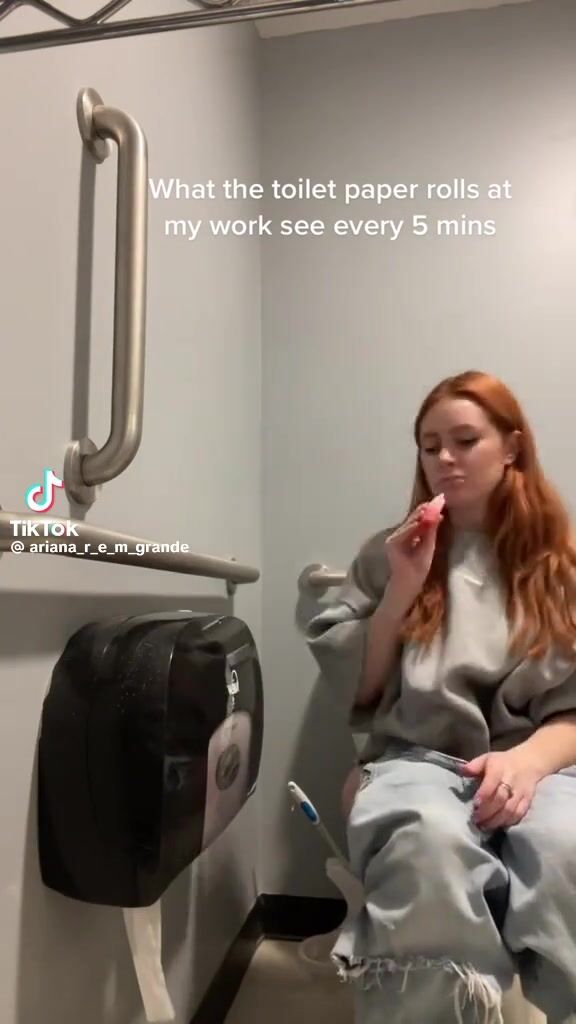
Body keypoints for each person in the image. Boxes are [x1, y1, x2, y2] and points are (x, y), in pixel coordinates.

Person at [305, 371, 576, 1024]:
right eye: (430, 446)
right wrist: (402, 588)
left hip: (538, 762)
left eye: (464, 440)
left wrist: (526, 764)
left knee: (565, 844)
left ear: (512, 447)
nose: (444, 459)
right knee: (427, 845)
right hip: (415, 759)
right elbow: (364, 691)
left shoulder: (561, 565)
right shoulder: (389, 555)